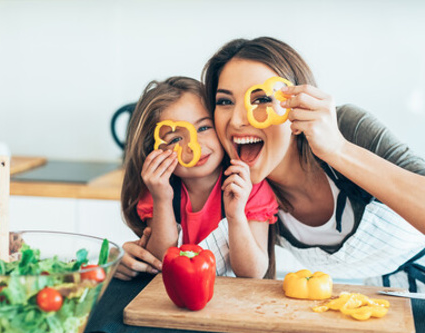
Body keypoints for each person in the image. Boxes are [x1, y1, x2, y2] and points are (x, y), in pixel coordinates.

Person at [201, 36, 425, 292]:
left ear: (296, 105)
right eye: (225, 101)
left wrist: (338, 149)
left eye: (262, 99)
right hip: (384, 297)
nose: (238, 120)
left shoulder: (347, 130)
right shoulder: (243, 197)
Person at [117, 76, 278, 280]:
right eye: (176, 138)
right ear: (154, 150)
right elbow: (158, 261)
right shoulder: (158, 190)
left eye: (203, 128)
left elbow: (252, 272)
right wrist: (162, 199)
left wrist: (236, 215)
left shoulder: (248, 186)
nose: (195, 145)